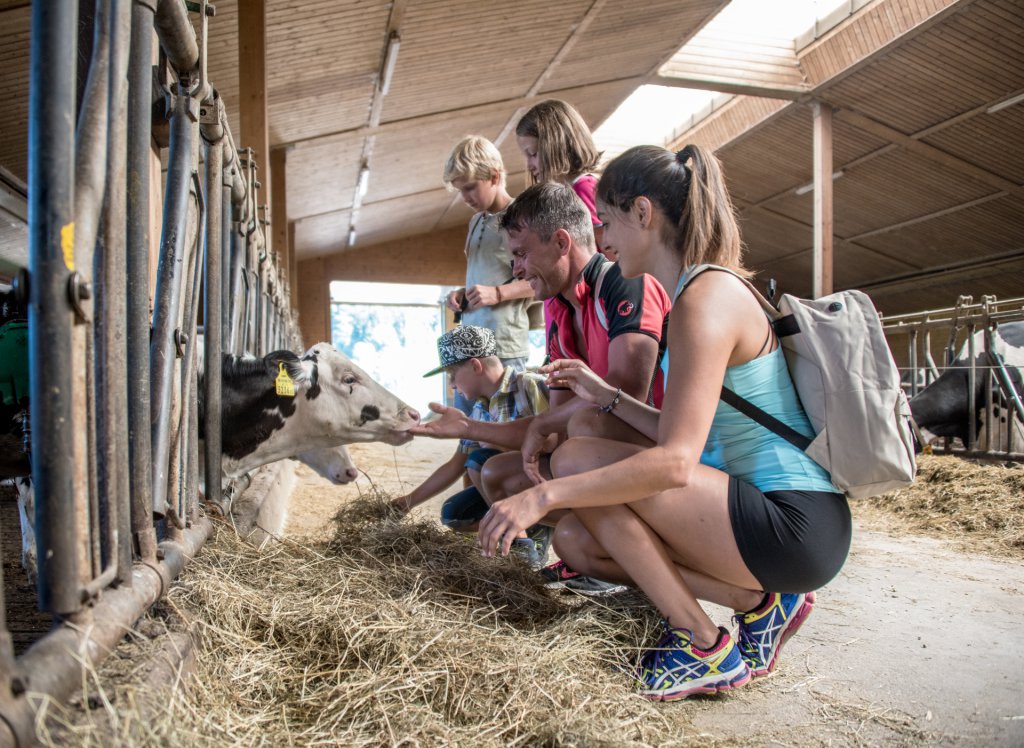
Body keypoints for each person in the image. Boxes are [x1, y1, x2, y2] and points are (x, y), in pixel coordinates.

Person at [475, 144, 851, 701]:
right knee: (579, 543)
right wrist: (606, 397)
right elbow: (681, 432)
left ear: (644, 214)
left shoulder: (705, 299)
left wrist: (543, 497)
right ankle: (762, 603)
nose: (600, 240)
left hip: (795, 522)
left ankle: (702, 644)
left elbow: (676, 462)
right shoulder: (693, 294)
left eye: (606, 222)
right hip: (761, 512)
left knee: (575, 460)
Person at [412, 182, 671, 594]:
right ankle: (594, 556)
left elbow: (625, 398)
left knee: (585, 430)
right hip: (607, 453)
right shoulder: (557, 311)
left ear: (562, 242)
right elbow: (551, 423)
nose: (516, 269)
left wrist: (547, 425)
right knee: (497, 472)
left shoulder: (624, 284)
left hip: (667, 453)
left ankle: (650, 567)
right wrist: (467, 429)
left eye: (520, 253)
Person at [391, 326, 551, 565]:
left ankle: (524, 539)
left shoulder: (530, 386)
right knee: (454, 514)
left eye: (452, 375)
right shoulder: (478, 409)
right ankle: (518, 529)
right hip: (506, 484)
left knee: (480, 460)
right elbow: (455, 466)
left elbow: (552, 441)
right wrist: (408, 501)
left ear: (476, 366)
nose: (452, 385)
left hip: (543, 483)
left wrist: (494, 442)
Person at [443, 136, 536, 415]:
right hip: (472, 345)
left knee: (504, 430)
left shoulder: (522, 217)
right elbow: (487, 275)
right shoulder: (476, 221)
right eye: (460, 190)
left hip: (504, 345)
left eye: (471, 187)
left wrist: (497, 294)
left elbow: (540, 279)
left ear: (494, 177)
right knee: (469, 430)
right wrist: (463, 293)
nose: (465, 197)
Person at [515, 100, 613, 260]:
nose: (529, 166)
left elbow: (610, 252)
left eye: (533, 154)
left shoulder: (583, 188)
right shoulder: (561, 196)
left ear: (555, 147)